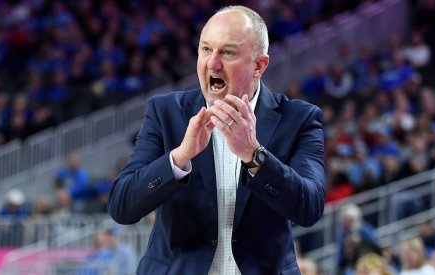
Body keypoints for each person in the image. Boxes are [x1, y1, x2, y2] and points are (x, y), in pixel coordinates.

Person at [108, 5, 326, 275]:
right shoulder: (165, 112)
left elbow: (310, 208)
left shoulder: (299, 119)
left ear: (259, 65)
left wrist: (254, 154)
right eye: (206, 49)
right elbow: (121, 206)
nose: (212, 63)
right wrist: (178, 158)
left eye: (228, 52)